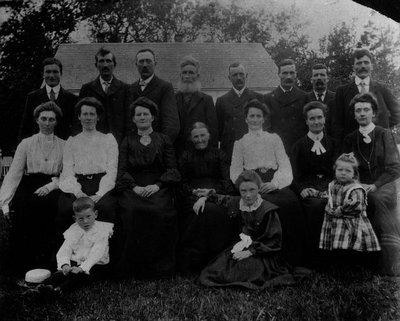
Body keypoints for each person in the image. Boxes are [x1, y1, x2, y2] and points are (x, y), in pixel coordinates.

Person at [230, 99, 310, 270]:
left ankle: (292, 257)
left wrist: (275, 183)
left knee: (290, 203)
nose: (255, 119)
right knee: (263, 206)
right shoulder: (240, 143)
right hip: (252, 183)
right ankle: (260, 257)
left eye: (259, 116)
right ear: (246, 119)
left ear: (263, 119)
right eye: (251, 115)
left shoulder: (274, 139)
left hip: (273, 181)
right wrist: (252, 186)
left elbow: (284, 164)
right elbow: (235, 171)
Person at [113, 97, 180, 279]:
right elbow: (122, 170)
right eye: (138, 114)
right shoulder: (127, 141)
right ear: (133, 119)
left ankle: (159, 269)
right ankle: (133, 268)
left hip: (158, 185)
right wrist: (134, 187)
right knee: (132, 211)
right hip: (133, 186)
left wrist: (157, 185)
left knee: (159, 211)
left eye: (146, 114)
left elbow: (172, 169)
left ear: (152, 117)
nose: (142, 117)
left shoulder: (164, 139)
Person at [198, 170, 294, 289]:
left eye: (252, 190)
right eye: (243, 191)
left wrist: (249, 252)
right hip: (242, 246)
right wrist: (204, 198)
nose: (247, 195)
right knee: (216, 270)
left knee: (249, 270)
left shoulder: (268, 210)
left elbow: (273, 241)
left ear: (259, 189)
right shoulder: (238, 202)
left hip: (262, 253)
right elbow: (221, 198)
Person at [0, 101, 65, 273]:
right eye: (43, 118)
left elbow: (66, 174)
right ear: (37, 120)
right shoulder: (26, 143)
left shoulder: (64, 145)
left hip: (53, 184)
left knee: (51, 208)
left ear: (57, 121)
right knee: (24, 208)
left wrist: (51, 186)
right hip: (30, 184)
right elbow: (14, 173)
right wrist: (5, 202)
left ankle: (47, 264)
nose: (47, 123)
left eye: (51, 119)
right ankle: (23, 265)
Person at [343, 92, 400, 275]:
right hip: (358, 185)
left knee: (375, 200)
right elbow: (346, 168)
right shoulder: (350, 139)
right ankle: (359, 259)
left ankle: (386, 261)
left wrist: (374, 185)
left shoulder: (385, 134)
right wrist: (357, 186)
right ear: (354, 115)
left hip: (383, 185)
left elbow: (394, 168)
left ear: (373, 113)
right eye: (358, 110)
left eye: (366, 110)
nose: (362, 113)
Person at [177, 122, 236, 275]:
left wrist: (212, 192)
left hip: (217, 192)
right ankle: (195, 264)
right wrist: (194, 191)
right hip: (192, 194)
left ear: (209, 136)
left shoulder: (219, 154)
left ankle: (218, 261)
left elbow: (226, 180)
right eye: (196, 136)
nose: (200, 139)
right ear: (191, 138)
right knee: (199, 213)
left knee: (215, 211)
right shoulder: (186, 155)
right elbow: (181, 182)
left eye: (203, 135)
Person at [57, 97, 118, 241]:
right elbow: (67, 171)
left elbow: (112, 170)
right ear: (79, 116)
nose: (88, 118)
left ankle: (103, 258)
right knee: (67, 209)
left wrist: (99, 194)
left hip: (102, 184)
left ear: (98, 117)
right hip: (78, 185)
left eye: (92, 114)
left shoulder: (108, 139)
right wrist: (78, 192)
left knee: (105, 208)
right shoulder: (72, 141)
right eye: (85, 114)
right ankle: (72, 256)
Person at [31, 197, 113, 294]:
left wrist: (82, 268)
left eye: (88, 216)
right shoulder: (74, 229)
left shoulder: (101, 231)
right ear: (75, 218)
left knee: (77, 277)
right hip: (77, 263)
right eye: (81, 218)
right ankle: (41, 287)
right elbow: (65, 249)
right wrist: (65, 264)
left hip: (95, 266)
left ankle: (59, 290)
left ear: (95, 214)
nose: (85, 221)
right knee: (61, 273)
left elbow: (97, 253)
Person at [291, 101, 335, 263]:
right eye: (312, 118)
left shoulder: (333, 143)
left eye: (319, 117)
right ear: (306, 121)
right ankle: (316, 257)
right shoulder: (298, 146)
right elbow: (293, 175)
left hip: (330, 186)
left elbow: (340, 170)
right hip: (308, 188)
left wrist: (331, 188)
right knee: (317, 207)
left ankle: (337, 255)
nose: (316, 121)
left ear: (325, 119)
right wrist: (302, 189)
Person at [333, 48, 400, 146]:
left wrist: (382, 126)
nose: (363, 66)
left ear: (371, 66)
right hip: (353, 145)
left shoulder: (382, 89)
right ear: (353, 67)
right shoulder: (342, 91)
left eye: (366, 62)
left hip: (379, 144)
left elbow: (397, 112)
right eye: (359, 63)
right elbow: (337, 123)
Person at [319, 153, 380, 254]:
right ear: (335, 171)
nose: (343, 173)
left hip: (350, 220)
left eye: (348, 171)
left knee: (349, 241)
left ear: (354, 174)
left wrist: (342, 210)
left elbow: (356, 204)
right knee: (338, 240)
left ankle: (351, 258)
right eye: (340, 170)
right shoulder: (334, 184)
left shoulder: (355, 188)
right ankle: (336, 257)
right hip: (335, 219)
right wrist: (317, 193)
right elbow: (329, 195)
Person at [77, 48, 130, 144]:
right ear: (96, 65)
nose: (105, 65)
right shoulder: (87, 89)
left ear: (114, 64)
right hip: (93, 142)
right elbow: (78, 119)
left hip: (119, 142)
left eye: (108, 61)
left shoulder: (125, 89)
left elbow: (129, 120)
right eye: (101, 61)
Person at [19, 57, 78, 141]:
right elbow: (25, 127)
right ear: (43, 74)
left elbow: (75, 128)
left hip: (64, 148)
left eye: (55, 72)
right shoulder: (33, 97)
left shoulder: (72, 99)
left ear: (61, 73)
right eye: (48, 72)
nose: (51, 76)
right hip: (39, 147)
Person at [216, 62, 263, 161]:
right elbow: (219, 130)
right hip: (230, 151)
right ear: (229, 78)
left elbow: (265, 126)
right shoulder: (222, 101)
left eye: (241, 74)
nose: (238, 78)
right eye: (234, 75)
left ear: (246, 76)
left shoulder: (258, 98)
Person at [130, 48, 180, 142]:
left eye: (148, 61)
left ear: (155, 64)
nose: (145, 65)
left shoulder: (165, 87)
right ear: (136, 65)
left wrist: (159, 146)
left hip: (158, 147)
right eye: (141, 61)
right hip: (135, 146)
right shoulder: (131, 88)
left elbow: (171, 124)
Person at [175, 56, 218, 156]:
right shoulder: (173, 99)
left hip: (201, 152)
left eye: (191, 73)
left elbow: (213, 131)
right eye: (184, 73)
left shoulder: (206, 100)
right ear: (180, 75)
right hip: (178, 152)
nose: (187, 76)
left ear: (197, 76)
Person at [264, 59, 308, 153]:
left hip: (299, 150)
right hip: (278, 150)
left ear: (296, 74)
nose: (288, 76)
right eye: (284, 73)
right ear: (279, 74)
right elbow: (267, 129)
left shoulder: (304, 97)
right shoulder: (268, 99)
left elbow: (307, 127)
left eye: (291, 73)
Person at [305, 63, 336, 137]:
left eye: (322, 75)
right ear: (311, 80)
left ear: (327, 79)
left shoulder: (336, 98)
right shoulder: (304, 98)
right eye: (316, 75)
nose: (319, 78)